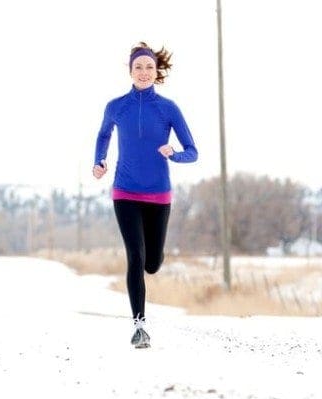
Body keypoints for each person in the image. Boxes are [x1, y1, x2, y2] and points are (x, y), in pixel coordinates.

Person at [92, 42, 198, 348]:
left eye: (149, 67)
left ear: (156, 71)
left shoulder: (168, 108)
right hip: (124, 191)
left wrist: (174, 153)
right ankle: (139, 324)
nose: (143, 72)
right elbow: (103, 135)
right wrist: (99, 161)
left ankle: (155, 259)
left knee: (152, 262)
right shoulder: (116, 106)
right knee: (135, 257)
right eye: (138, 67)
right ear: (130, 71)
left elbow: (193, 151)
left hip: (158, 195)